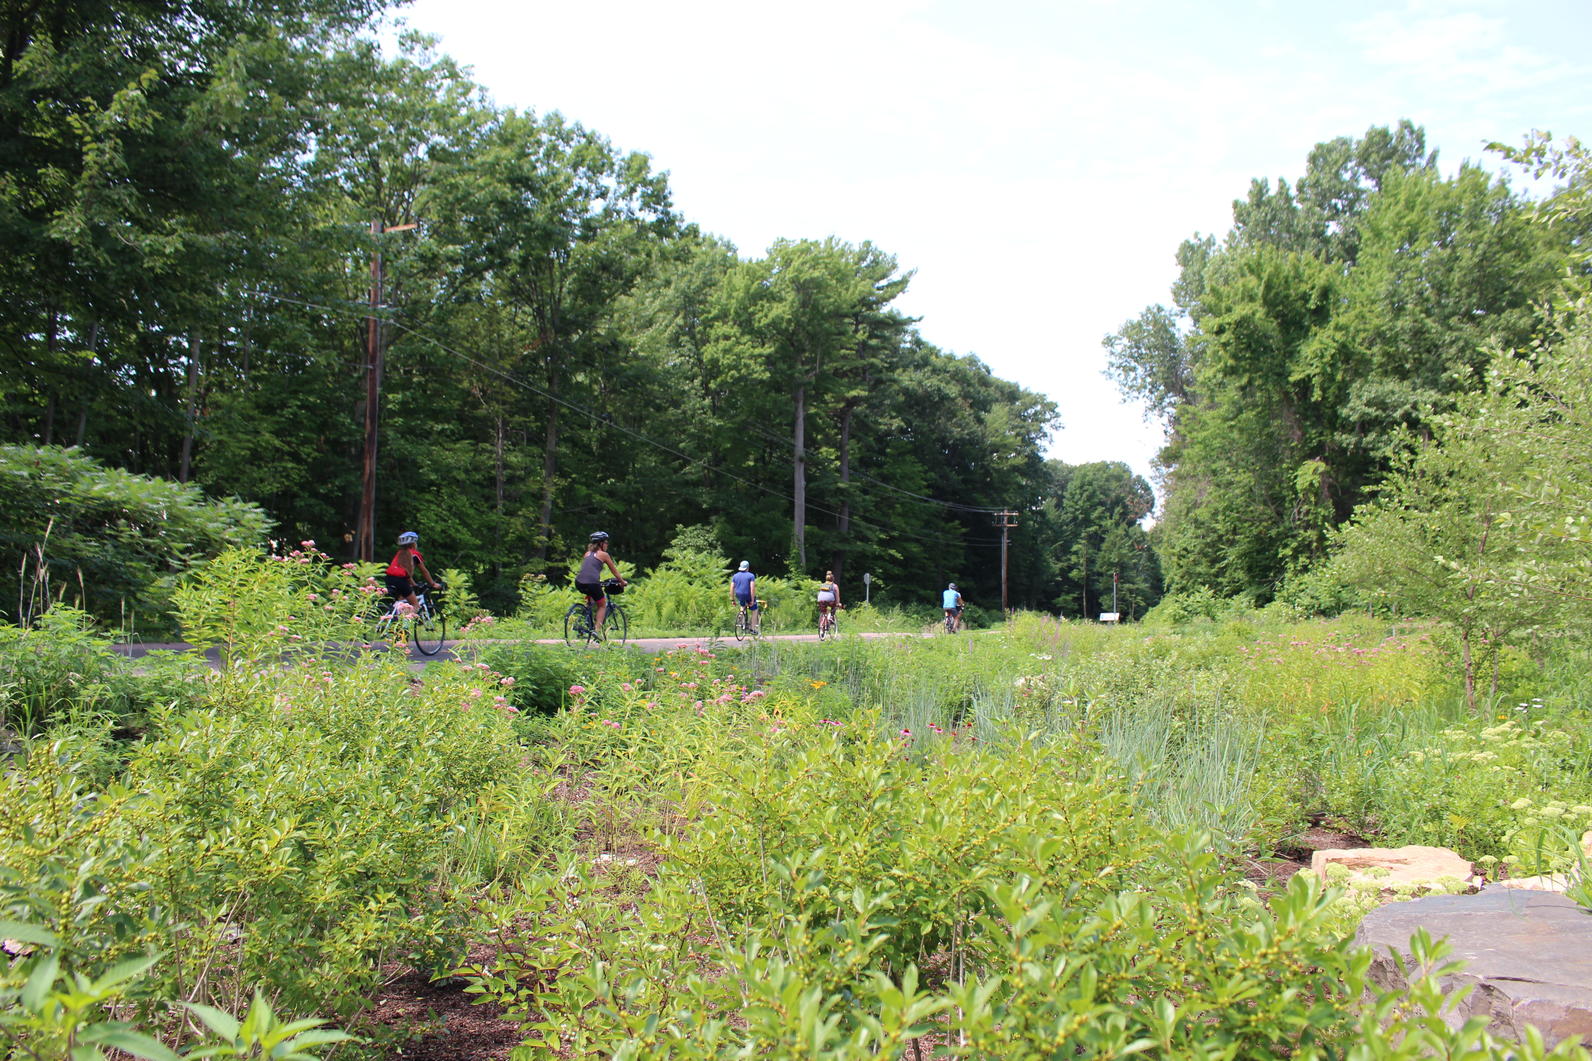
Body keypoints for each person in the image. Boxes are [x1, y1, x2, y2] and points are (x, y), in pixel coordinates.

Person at [575, 531, 625, 633]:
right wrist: (622, 582)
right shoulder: (604, 554)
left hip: (579, 582)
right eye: (606, 543)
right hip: (592, 583)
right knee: (602, 605)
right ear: (601, 544)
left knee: (592, 599)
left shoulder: (587, 554)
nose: (607, 545)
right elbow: (614, 571)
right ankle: (597, 631)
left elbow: (588, 570)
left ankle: (584, 618)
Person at [384, 531, 439, 613]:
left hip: (389, 578)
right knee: (415, 605)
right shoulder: (415, 554)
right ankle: (405, 625)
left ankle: (394, 619)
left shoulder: (400, 553)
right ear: (414, 543)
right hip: (400, 581)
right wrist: (433, 584)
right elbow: (424, 571)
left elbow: (405, 573)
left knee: (401, 602)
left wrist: (414, 585)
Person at [730, 560, 759, 632]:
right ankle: (752, 629)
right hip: (748, 594)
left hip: (739, 595)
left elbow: (731, 588)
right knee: (755, 610)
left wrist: (732, 599)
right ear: (748, 568)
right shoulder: (751, 576)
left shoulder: (735, 576)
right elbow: (752, 588)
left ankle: (740, 619)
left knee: (742, 606)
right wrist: (752, 600)